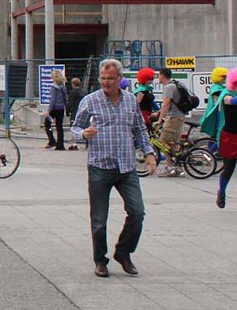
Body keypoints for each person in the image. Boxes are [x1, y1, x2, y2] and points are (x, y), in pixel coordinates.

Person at [71, 58, 155, 278]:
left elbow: (140, 130)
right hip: (100, 166)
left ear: (119, 79)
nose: (106, 82)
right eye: (103, 78)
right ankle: (100, 260)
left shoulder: (130, 101)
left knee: (137, 212)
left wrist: (149, 154)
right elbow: (75, 127)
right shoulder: (90, 101)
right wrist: (83, 134)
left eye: (110, 78)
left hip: (126, 167)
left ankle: (123, 252)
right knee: (99, 219)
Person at [154, 68, 186, 177]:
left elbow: (166, 104)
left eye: (158, 75)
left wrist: (159, 120)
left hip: (173, 118)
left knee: (162, 141)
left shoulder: (168, 87)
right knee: (173, 143)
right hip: (179, 117)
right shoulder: (176, 84)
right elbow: (170, 103)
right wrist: (158, 113)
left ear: (162, 75)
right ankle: (179, 167)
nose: (158, 78)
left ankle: (170, 167)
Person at [216, 68, 237, 208]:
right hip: (229, 138)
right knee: (229, 169)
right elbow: (232, 101)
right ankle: (221, 192)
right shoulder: (226, 95)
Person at [44, 69, 68, 150]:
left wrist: (48, 110)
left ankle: (52, 140)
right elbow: (65, 98)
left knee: (47, 124)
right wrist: (65, 107)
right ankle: (60, 144)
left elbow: (52, 100)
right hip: (61, 108)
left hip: (54, 108)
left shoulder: (54, 87)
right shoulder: (63, 87)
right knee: (59, 126)